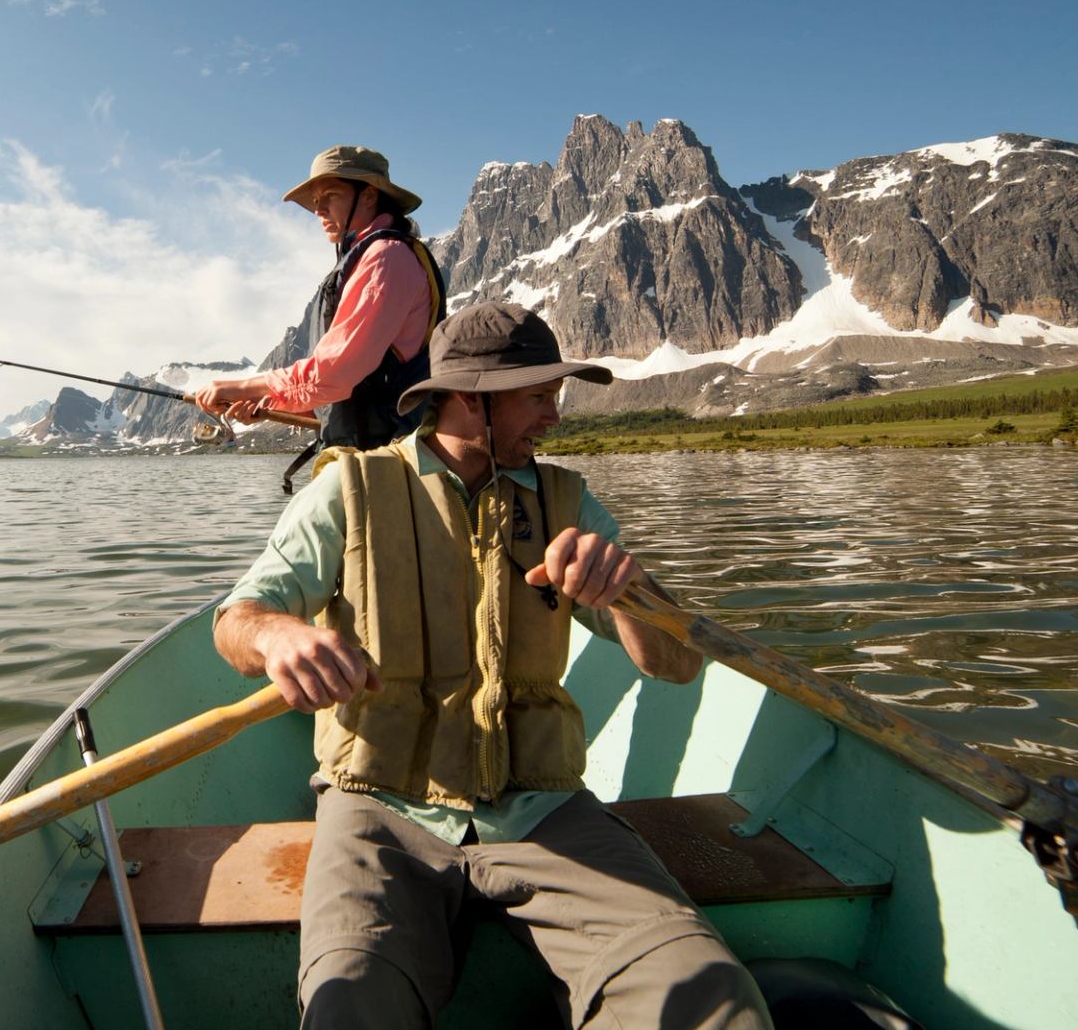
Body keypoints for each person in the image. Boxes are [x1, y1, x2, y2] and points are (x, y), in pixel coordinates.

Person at [211, 301, 773, 1030]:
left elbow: (676, 666)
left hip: (543, 810)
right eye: (539, 395)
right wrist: (280, 638)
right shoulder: (347, 492)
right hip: (379, 808)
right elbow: (237, 621)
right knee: (348, 1008)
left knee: (712, 1001)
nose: (554, 415)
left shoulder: (570, 503)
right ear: (468, 399)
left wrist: (630, 593)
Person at [192, 146, 445, 479]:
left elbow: (335, 373)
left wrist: (243, 387)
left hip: (385, 468)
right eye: (315, 200)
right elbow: (353, 386)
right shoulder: (379, 255)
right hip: (371, 462)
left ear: (369, 196)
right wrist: (270, 403)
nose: (318, 209)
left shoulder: (386, 258)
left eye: (331, 195)